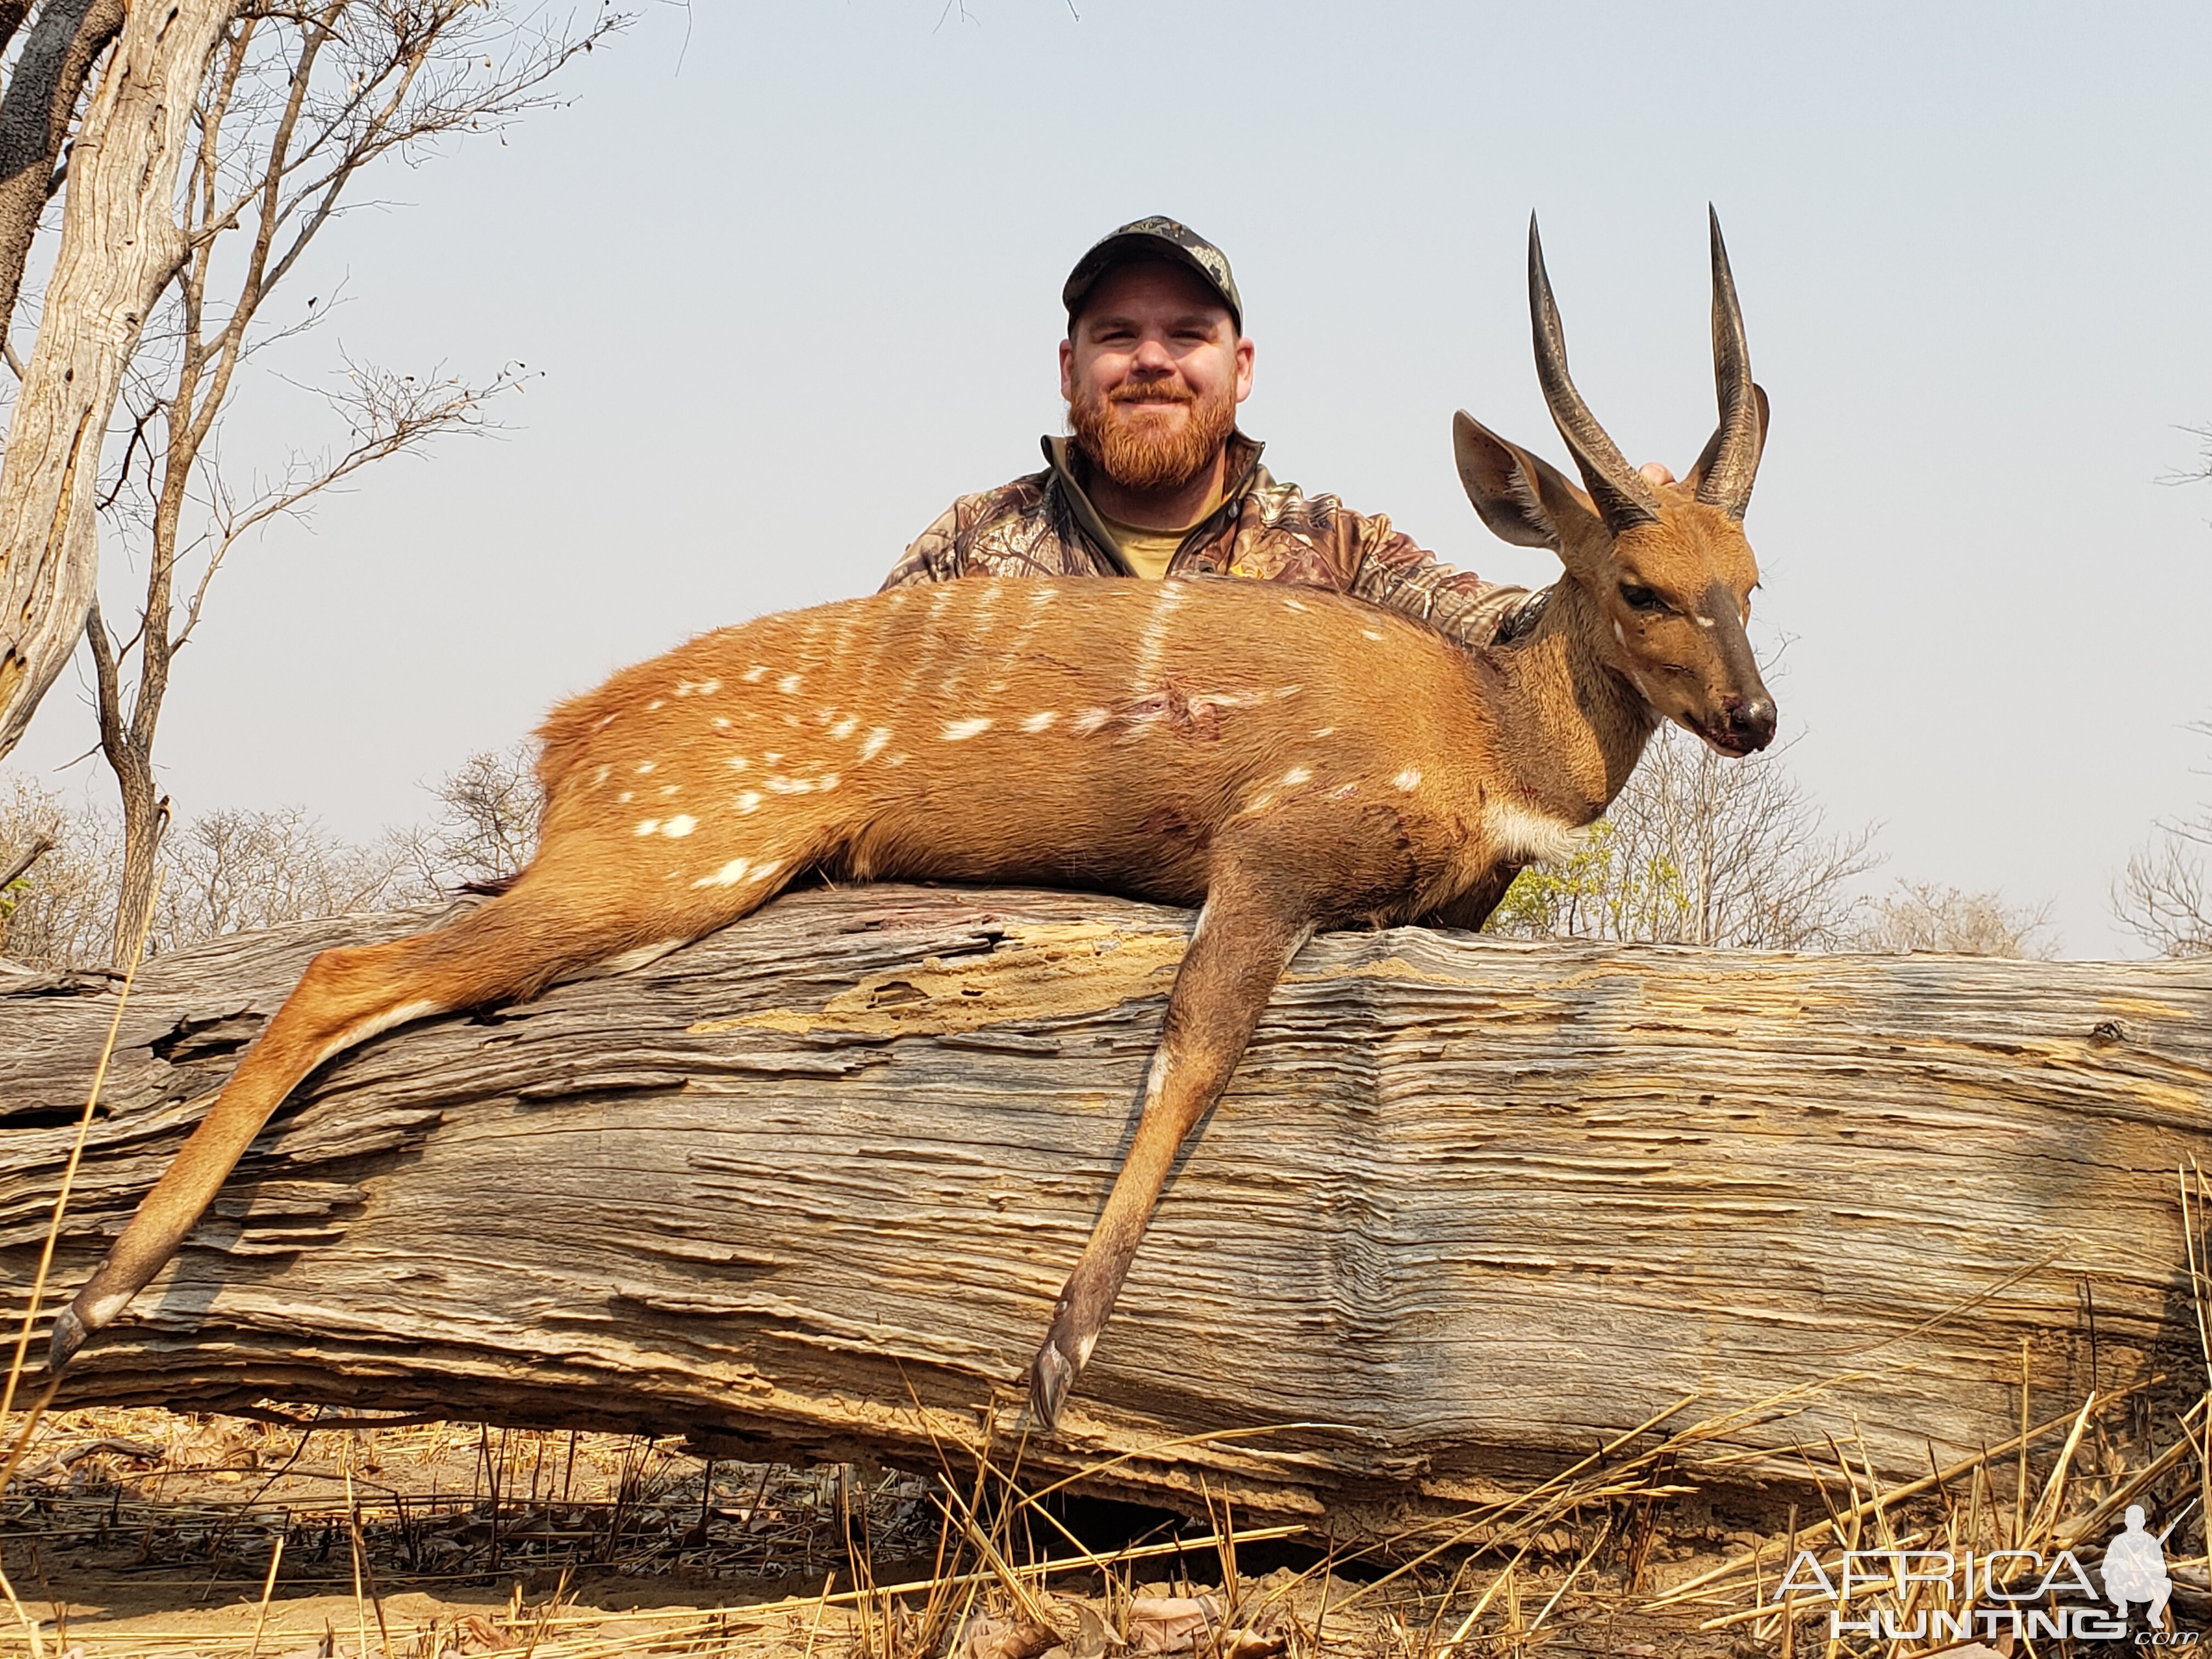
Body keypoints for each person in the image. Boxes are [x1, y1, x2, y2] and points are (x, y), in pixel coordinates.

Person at [881, 216, 1532, 647]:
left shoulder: (1339, 553)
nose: (1153, 359)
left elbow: (1513, 630)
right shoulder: (970, 548)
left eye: (1188, 334)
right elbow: (838, 713)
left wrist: (1629, 535)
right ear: (1068, 368)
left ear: (1241, 369)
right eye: (1118, 335)